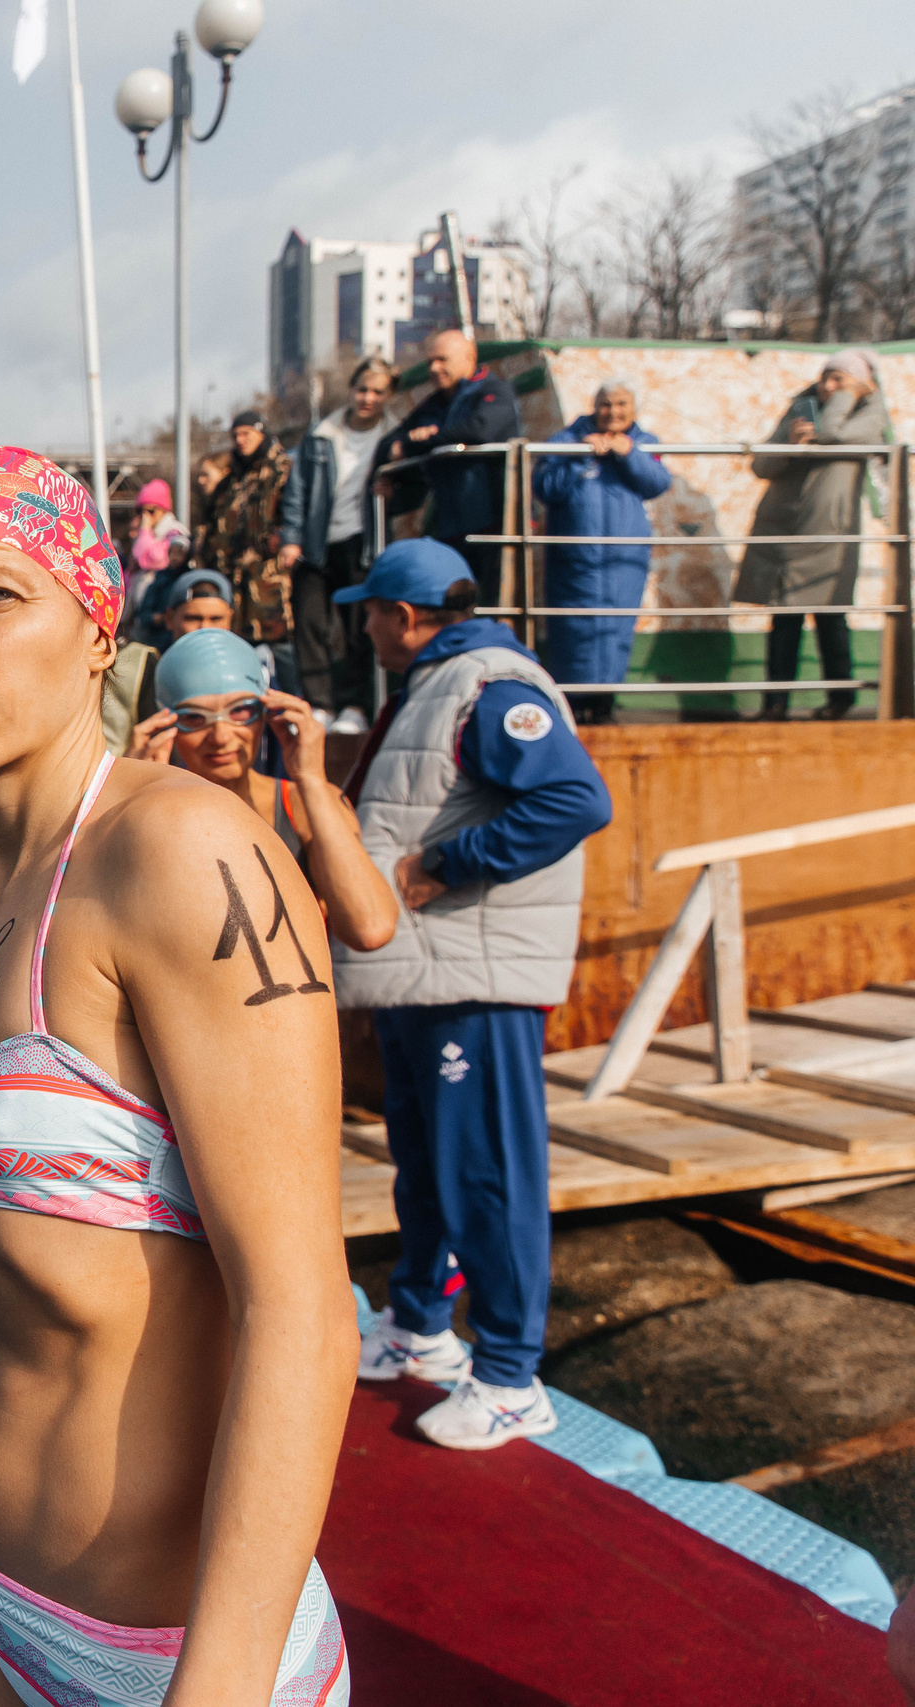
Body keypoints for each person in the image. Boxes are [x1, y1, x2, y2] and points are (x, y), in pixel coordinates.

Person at [0, 445, 357, 1707]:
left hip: (177, 1651)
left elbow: (303, 1311)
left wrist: (216, 1686)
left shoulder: (177, 851)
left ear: (98, 624)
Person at [331, 538, 613, 1451]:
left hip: (475, 975)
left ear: (405, 617)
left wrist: (442, 866)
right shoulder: (436, 684)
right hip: (428, 971)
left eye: (370, 610)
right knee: (429, 1159)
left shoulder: (491, 686)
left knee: (489, 1169)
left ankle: (509, 1374)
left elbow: (572, 798)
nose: (365, 625)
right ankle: (420, 1325)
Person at [130, 628, 398, 957]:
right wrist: (135, 800)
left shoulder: (302, 804)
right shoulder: (150, 815)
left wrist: (311, 779)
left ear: (268, 712)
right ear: (164, 724)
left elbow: (369, 928)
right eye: (194, 718)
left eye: (240, 711)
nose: (221, 736)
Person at [736, 348, 893, 721]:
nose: (827, 386)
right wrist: (789, 443)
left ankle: (840, 698)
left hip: (830, 535)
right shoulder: (800, 408)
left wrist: (846, 398)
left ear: (859, 384)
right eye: (825, 377)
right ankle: (775, 704)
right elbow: (761, 465)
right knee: (784, 618)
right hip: (784, 529)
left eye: (838, 379)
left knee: (830, 616)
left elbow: (835, 433)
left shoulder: (872, 415)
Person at [531, 380, 672, 725]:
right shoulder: (565, 440)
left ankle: (605, 702)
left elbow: (657, 483)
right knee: (572, 630)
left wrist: (628, 455)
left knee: (617, 629)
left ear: (633, 409)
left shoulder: (644, 442)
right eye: (606, 404)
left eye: (621, 404)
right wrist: (579, 454)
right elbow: (545, 487)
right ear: (595, 407)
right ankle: (573, 704)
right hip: (574, 560)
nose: (613, 412)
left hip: (624, 561)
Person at [278, 355, 396, 719]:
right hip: (316, 542)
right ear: (351, 390)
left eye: (377, 391)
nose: (368, 398)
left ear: (388, 395)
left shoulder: (393, 437)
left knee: (359, 625)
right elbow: (297, 489)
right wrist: (291, 538)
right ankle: (319, 703)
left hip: (361, 543)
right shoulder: (322, 435)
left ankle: (353, 704)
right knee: (310, 623)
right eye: (362, 389)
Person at [380, 329, 521, 597]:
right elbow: (390, 445)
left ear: (470, 357)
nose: (434, 368)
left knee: (492, 607)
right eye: (431, 361)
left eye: (442, 360)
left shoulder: (496, 391)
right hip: (450, 531)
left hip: (495, 527)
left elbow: (478, 430)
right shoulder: (434, 404)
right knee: (454, 609)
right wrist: (408, 442)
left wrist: (418, 443)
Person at [191, 409, 293, 644]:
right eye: (235, 435)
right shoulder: (232, 481)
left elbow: (293, 517)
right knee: (235, 644)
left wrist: (277, 545)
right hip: (231, 580)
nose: (240, 440)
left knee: (277, 645)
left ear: (261, 433)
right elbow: (210, 523)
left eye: (246, 433)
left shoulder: (282, 470)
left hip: (269, 578)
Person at [121, 478, 190, 650]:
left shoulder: (174, 532)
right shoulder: (153, 532)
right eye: (141, 511)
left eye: (151, 511)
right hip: (146, 611)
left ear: (164, 510)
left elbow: (153, 559)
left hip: (162, 611)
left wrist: (144, 531)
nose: (145, 516)